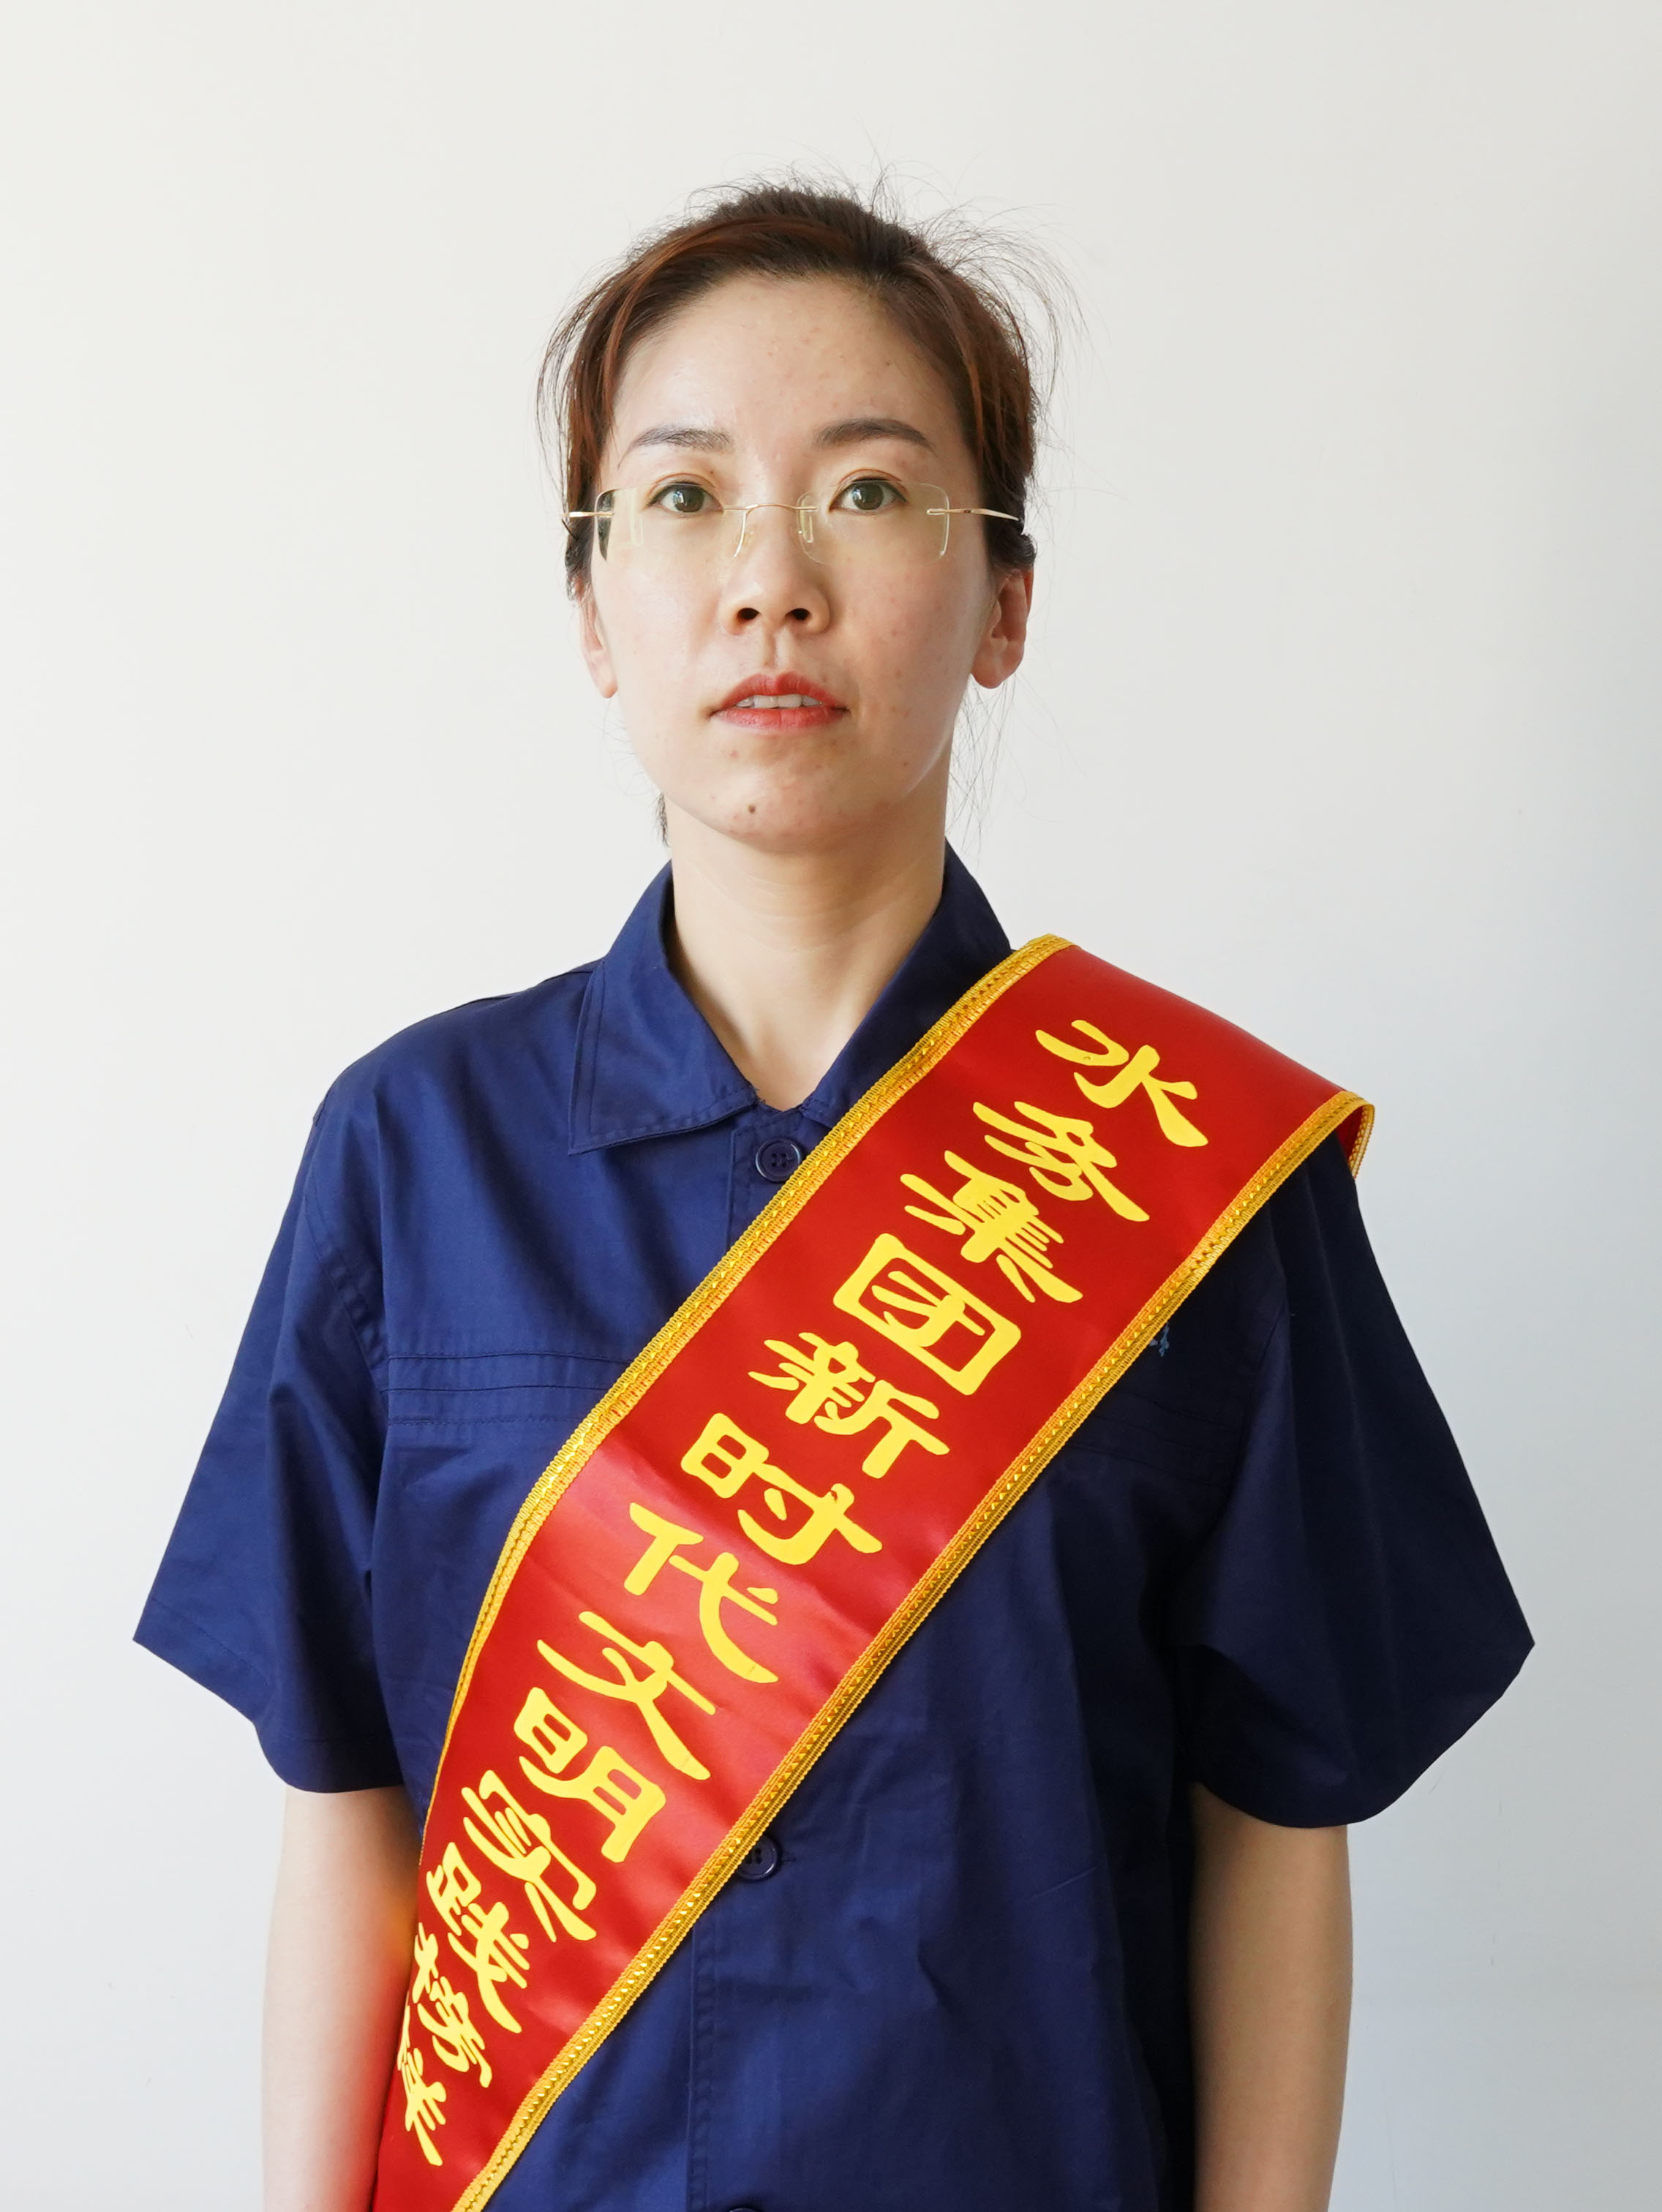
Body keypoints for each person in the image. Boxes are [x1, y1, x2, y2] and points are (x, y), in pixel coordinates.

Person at [137, 181, 1530, 2212]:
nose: (770, 582)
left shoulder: (1200, 1175)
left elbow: (1274, 1829)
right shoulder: (413, 1152)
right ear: (593, 611)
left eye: (870, 493)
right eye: (684, 498)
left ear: (1006, 602)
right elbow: (349, 1814)